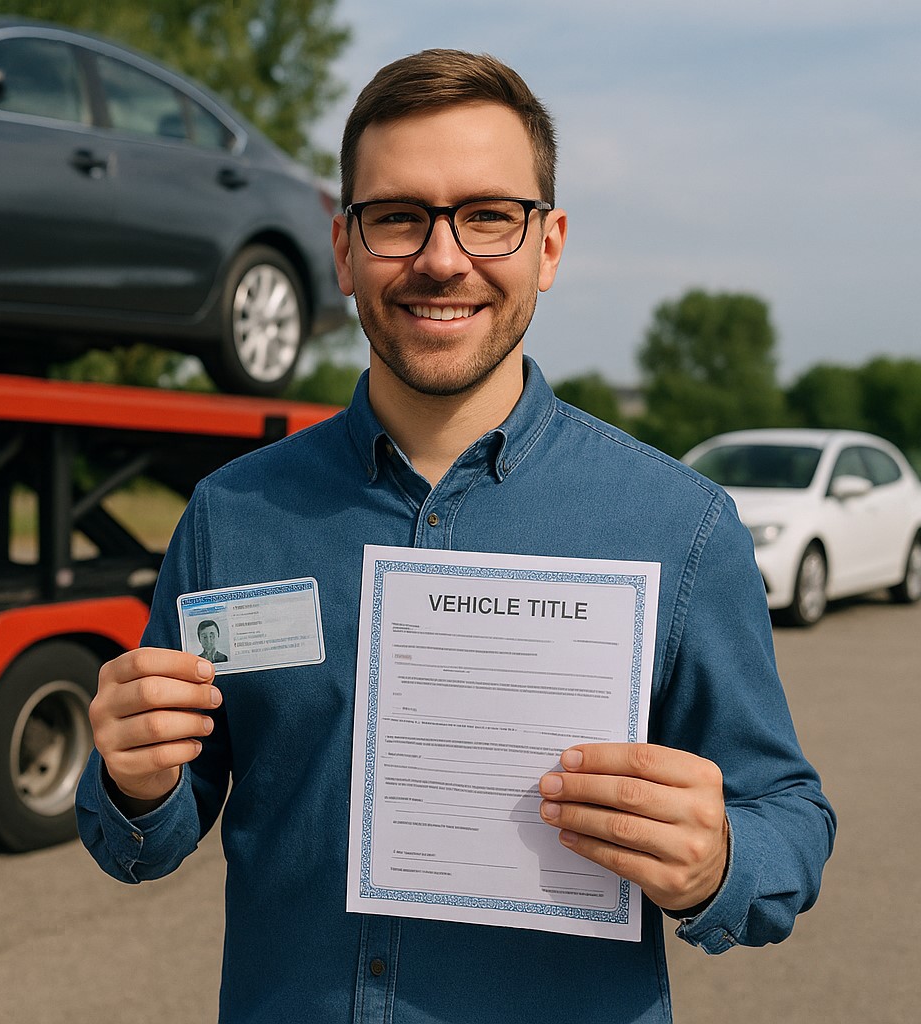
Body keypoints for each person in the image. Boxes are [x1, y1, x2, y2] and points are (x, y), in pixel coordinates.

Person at [76, 49, 834, 1023]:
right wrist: (137, 784)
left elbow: (791, 817)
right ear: (343, 246)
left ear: (549, 245)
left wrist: (724, 858)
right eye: (399, 217)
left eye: (488, 215)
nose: (442, 257)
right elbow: (158, 828)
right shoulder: (234, 515)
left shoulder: (678, 528)